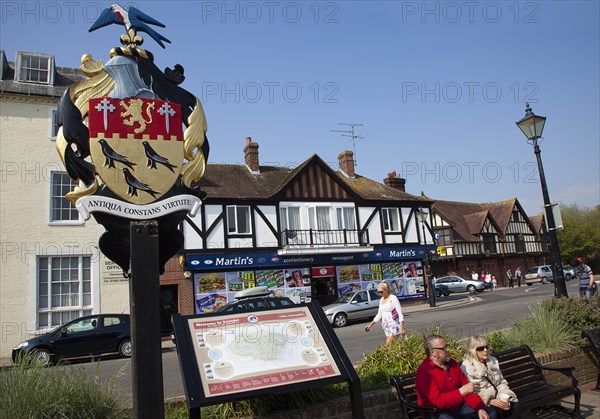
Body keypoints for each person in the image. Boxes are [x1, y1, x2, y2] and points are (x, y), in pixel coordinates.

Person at [416, 335, 496, 419]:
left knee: (491, 413)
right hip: (437, 412)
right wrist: (461, 392)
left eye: (447, 346)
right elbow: (438, 401)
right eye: (444, 348)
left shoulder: (452, 364)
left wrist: (480, 408)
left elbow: (468, 391)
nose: (448, 350)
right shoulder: (424, 372)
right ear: (434, 353)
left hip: (459, 407)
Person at [461, 336, 520, 418]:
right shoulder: (467, 367)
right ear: (473, 351)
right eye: (481, 348)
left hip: (499, 394)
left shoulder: (493, 361)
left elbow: (501, 382)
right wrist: (489, 401)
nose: (485, 350)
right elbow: (471, 392)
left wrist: (504, 395)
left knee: (514, 406)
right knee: (496, 411)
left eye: (486, 347)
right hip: (483, 401)